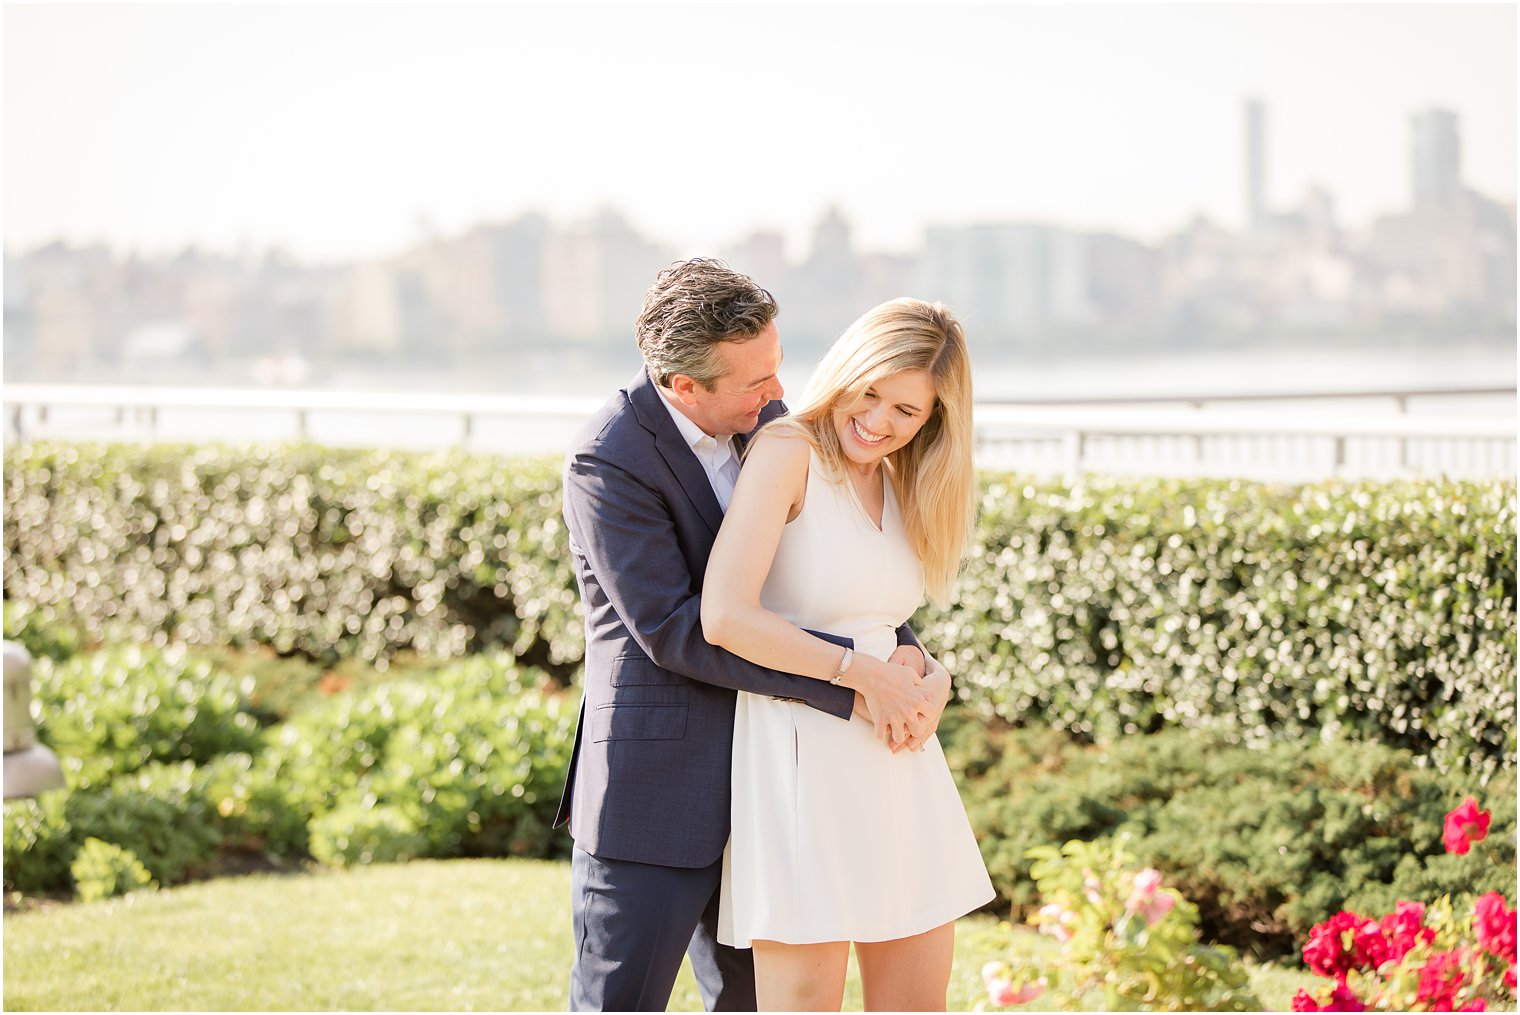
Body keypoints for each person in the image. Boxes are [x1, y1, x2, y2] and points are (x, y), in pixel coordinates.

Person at [554, 259, 952, 1012]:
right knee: (618, 1003)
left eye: (775, 368)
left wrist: (903, 650)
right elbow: (676, 631)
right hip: (658, 792)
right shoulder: (608, 459)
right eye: (753, 382)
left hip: (771, 786)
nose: (778, 393)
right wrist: (852, 680)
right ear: (684, 386)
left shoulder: (771, 427)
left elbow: (825, 570)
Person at [701, 297, 995, 1012]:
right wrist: (861, 673)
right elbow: (725, 615)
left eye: (908, 412)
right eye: (871, 393)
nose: (880, 421)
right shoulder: (787, 451)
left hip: (899, 760)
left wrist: (929, 676)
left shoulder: (898, 477)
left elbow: (884, 620)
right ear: (847, 369)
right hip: (802, 754)